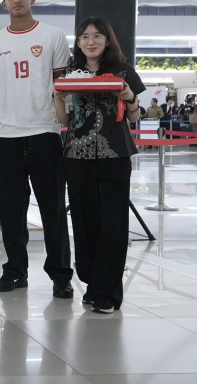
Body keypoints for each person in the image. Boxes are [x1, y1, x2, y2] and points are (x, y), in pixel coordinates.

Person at [0, 0, 74, 298]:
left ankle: (61, 274)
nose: (17, 0)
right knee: (11, 210)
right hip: (7, 134)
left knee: (52, 208)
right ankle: (15, 270)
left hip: (45, 132)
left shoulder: (52, 36)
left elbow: (61, 85)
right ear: (4, 3)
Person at [55, 17, 144, 313]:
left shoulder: (122, 70)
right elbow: (65, 120)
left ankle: (109, 292)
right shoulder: (70, 73)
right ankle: (92, 283)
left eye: (97, 36)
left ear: (107, 40)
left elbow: (134, 117)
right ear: (78, 42)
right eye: (84, 37)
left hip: (114, 154)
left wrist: (129, 97)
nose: (90, 41)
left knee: (114, 223)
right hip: (77, 155)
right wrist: (58, 97)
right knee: (84, 220)